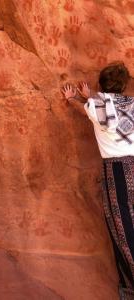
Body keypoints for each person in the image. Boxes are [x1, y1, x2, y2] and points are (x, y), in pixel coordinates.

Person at [61, 62, 134, 300]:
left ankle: (131, 287)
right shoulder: (131, 104)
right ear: (123, 87)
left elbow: (91, 110)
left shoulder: (96, 107)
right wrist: (91, 95)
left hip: (118, 171)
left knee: (122, 229)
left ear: (100, 85)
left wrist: (73, 98)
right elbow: (107, 105)